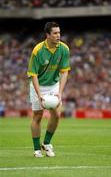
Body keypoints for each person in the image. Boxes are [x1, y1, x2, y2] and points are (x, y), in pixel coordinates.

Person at [27, 21, 70, 157]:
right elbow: (32, 74)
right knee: (38, 116)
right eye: (55, 33)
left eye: (59, 32)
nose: (58, 35)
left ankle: (46, 143)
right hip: (38, 85)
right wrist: (39, 95)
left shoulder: (64, 49)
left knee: (56, 115)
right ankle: (36, 149)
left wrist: (60, 93)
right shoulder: (37, 50)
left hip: (53, 85)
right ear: (47, 35)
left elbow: (64, 72)